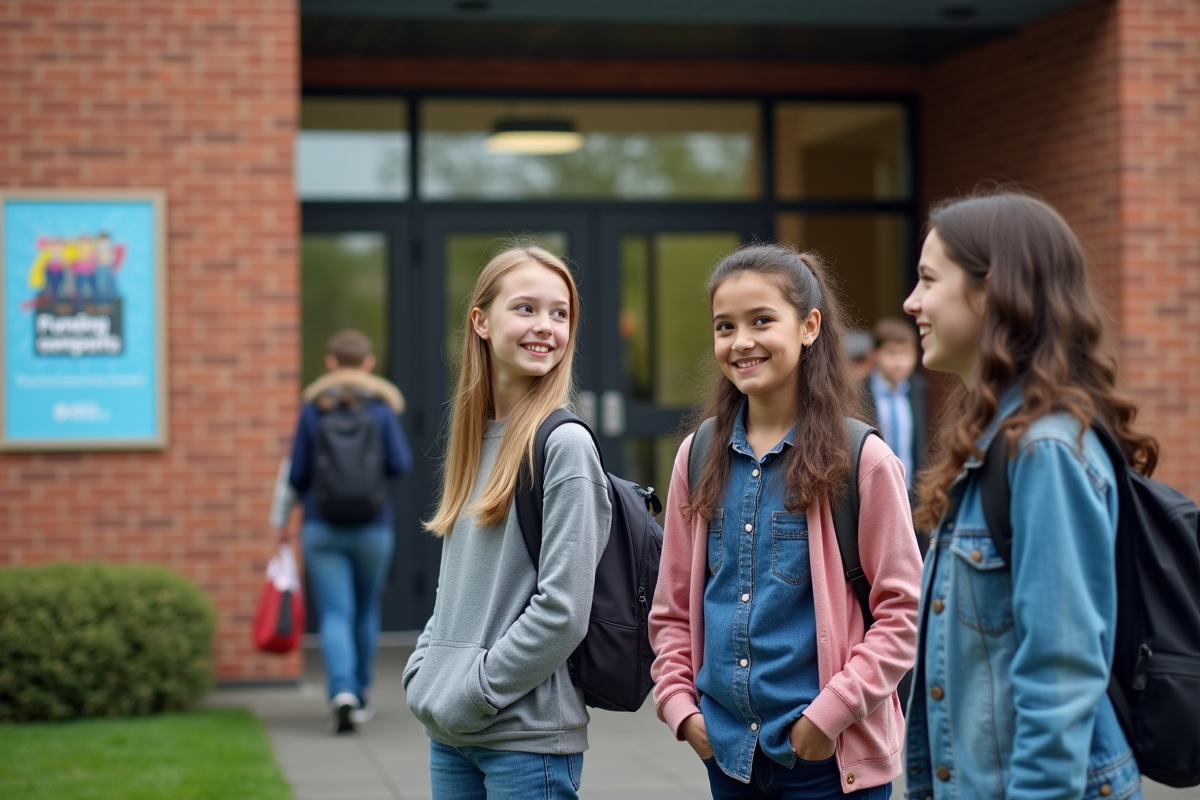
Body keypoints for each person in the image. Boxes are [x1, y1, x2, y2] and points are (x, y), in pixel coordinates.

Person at [902, 191, 1155, 800]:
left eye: (929, 280)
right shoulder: (998, 443)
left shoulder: (1043, 454)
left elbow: (1059, 678)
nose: (911, 302)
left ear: (993, 291)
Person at [649, 244, 922, 800]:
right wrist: (681, 709)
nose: (741, 341)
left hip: (828, 764)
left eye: (762, 320)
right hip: (727, 758)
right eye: (725, 326)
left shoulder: (861, 460)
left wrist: (828, 717)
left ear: (809, 326)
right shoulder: (697, 456)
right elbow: (673, 607)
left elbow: (904, 612)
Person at [403, 246, 611, 800]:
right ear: (481, 321)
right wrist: (426, 669)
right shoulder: (476, 438)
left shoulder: (563, 445)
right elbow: (457, 587)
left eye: (560, 313)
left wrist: (475, 691)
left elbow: (563, 611)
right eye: (526, 308)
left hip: (526, 741)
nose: (546, 327)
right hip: (452, 735)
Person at [277, 328, 413, 734]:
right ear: (369, 364)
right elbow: (401, 464)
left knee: (336, 610)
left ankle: (341, 693)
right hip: (373, 528)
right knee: (366, 608)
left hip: (322, 527)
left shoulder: (313, 409)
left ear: (330, 363)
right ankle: (362, 694)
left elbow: (296, 473)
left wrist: (281, 522)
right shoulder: (383, 411)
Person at [863, 317, 928, 498]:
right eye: (891, 353)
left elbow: (921, 443)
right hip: (873, 490)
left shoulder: (919, 389)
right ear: (874, 354)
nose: (899, 362)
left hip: (911, 490)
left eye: (906, 353)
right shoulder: (858, 391)